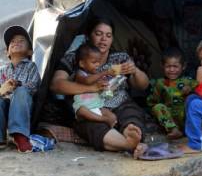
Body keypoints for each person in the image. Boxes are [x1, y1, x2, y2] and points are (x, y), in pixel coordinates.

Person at [50, 17, 149, 158]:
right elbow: (56, 85)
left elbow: (143, 85)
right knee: (92, 126)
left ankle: (130, 133)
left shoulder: (120, 57)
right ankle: (131, 145)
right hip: (90, 108)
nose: (104, 39)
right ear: (88, 36)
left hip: (119, 103)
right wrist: (92, 88)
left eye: (108, 36)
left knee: (131, 114)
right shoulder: (75, 58)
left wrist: (135, 71)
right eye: (98, 34)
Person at [0, 26, 41, 152]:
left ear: (30, 52)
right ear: (7, 52)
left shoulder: (31, 66)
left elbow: (34, 86)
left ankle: (20, 135)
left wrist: (17, 85)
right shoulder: (2, 70)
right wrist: (3, 89)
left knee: (21, 91)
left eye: (21, 40)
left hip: (23, 107)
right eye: (12, 41)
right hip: (5, 106)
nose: (16, 42)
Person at [146, 47, 197, 139]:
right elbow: (152, 102)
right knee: (158, 107)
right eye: (168, 66)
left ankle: (192, 130)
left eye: (175, 66)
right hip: (169, 120)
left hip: (186, 118)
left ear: (183, 66)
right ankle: (174, 130)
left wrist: (191, 90)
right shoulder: (160, 83)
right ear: (162, 66)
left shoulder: (189, 81)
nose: (172, 70)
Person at [72, 43, 116, 127]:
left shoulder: (98, 77)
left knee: (113, 117)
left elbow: (106, 95)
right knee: (81, 110)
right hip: (84, 108)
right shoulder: (80, 74)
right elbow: (87, 81)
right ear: (82, 64)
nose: (97, 65)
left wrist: (110, 88)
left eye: (99, 62)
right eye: (94, 62)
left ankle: (107, 126)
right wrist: (105, 72)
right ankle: (104, 120)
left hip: (97, 107)